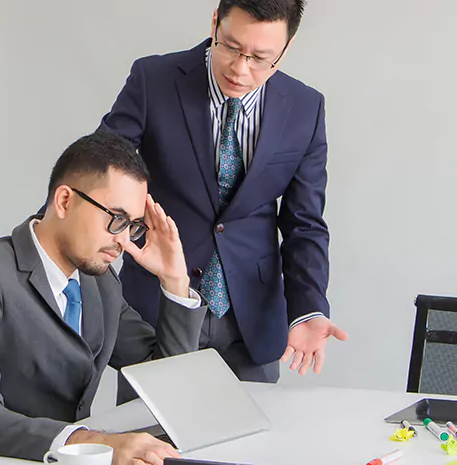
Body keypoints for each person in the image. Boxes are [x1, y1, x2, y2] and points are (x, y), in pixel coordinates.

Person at [98, 0, 348, 383]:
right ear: (215, 22)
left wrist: (308, 308)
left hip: (252, 322)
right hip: (159, 307)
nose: (240, 69)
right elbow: (99, 169)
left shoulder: (305, 108)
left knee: (250, 424)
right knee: (149, 424)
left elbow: (305, 224)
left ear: (286, 47)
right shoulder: (153, 80)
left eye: (260, 58)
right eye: (231, 47)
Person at [0, 131, 208, 465]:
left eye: (133, 226)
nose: (123, 241)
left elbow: (165, 381)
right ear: (65, 201)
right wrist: (98, 444)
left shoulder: (101, 284)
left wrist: (175, 281)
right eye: (116, 220)